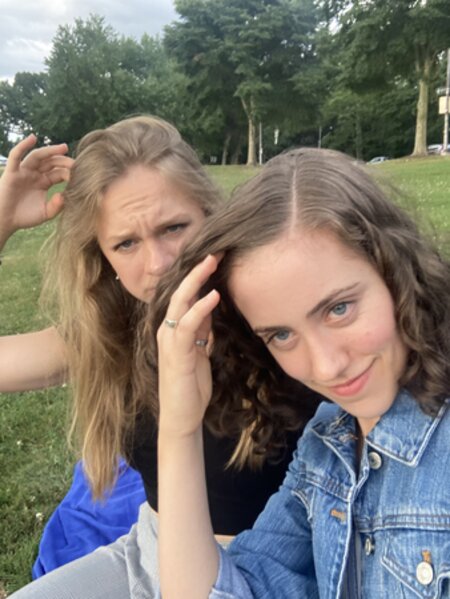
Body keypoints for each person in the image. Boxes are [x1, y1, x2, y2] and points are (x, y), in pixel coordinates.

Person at [1, 117, 318, 598]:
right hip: (148, 552)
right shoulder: (112, 334)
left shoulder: (270, 314)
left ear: (211, 214)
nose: (159, 263)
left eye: (174, 228)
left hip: (259, 573)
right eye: (126, 243)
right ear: (102, 256)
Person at [153, 147, 450, 598]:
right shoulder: (327, 446)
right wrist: (179, 428)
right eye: (281, 335)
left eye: (339, 309)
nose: (327, 366)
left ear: (396, 272)